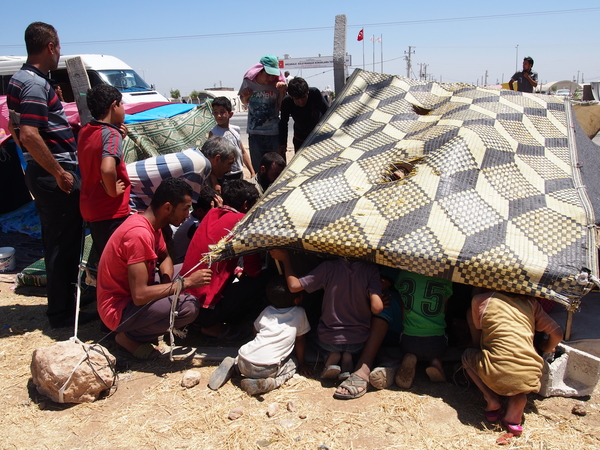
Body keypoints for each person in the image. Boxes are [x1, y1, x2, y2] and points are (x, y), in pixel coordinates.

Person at [6, 22, 94, 328]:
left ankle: (65, 306)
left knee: (61, 241)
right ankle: (62, 314)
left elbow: (17, 129)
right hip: (54, 173)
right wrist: (58, 171)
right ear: (51, 47)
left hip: (43, 171)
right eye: (59, 46)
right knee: (63, 244)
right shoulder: (32, 83)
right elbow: (29, 134)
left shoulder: (23, 80)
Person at [96, 178, 212, 359]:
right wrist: (185, 284)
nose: (188, 214)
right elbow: (140, 295)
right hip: (119, 311)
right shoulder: (138, 234)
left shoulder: (152, 224)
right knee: (189, 306)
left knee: (188, 269)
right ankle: (129, 337)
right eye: (185, 208)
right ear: (167, 208)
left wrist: (168, 285)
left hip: (135, 298)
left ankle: (146, 324)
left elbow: (165, 257)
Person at [270, 249, 384, 381]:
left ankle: (329, 356)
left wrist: (285, 259)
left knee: (310, 333)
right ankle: (348, 357)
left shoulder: (329, 267)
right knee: (352, 346)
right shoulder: (371, 270)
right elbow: (377, 308)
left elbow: (294, 286)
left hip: (329, 340)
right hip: (358, 341)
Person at [462, 291, 563, 436]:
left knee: (467, 357)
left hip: (495, 370)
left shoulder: (480, 299)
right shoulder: (531, 303)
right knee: (521, 378)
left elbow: (477, 338)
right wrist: (546, 347)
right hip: (531, 371)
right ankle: (517, 403)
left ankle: (491, 398)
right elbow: (557, 334)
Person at [181, 179, 266, 340]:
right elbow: (253, 269)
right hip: (206, 308)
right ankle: (213, 325)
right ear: (246, 205)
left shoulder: (211, 213)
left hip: (186, 299)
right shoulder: (243, 221)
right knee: (263, 279)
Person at [208, 275, 312, 395]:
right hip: (267, 368)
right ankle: (270, 383)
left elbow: (255, 329)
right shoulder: (299, 312)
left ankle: (234, 366)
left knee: (249, 357)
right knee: (293, 363)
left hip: (243, 359)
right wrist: (302, 364)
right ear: (297, 300)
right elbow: (300, 340)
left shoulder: (267, 310)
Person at [78, 84, 130, 258]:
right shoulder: (111, 134)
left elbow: (95, 152)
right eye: (121, 104)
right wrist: (113, 190)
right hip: (110, 210)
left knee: (105, 258)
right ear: (114, 105)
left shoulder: (85, 131)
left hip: (91, 206)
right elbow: (107, 169)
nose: (123, 109)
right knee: (116, 263)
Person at [126, 137, 234, 211]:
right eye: (229, 164)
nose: (230, 169)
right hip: (129, 193)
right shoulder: (200, 166)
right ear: (217, 158)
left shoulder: (195, 155)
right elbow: (185, 208)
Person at [393, 271, 453, 388]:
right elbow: (444, 308)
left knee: (407, 342)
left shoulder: (404, 274)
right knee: (442, 344)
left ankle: (411, 360)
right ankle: (436, 362)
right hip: (436, 343)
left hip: (409, 340)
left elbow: (403, 306)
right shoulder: (445, 276)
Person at [239, 55, 287, 173]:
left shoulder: (278, 84)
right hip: (255, 133)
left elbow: (280, 107)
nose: (270, 78)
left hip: (274, 133)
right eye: (268, 74)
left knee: (277, 169)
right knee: (259, 168)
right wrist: (246, 96)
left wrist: (281, 93)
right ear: (259, 71)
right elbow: (244, 102)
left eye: (273, 75)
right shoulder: (248, 82)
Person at [208, 96, 254, 181]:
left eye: (222, 112)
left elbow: (242, 152)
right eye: (215, 112)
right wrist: (215, 182)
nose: (219, 115)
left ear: (230, 114)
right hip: (224, 175)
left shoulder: (236, 130)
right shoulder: (213, 133)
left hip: (238, 172)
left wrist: (252, 171)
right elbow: (211, 160)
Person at [279, 77, 329, 153]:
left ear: (307, 92)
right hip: (300, 138)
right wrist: (283, 144)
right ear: (292, 97)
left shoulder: (315, 94)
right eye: (297, 99)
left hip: (318, 137)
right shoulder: (287, 101)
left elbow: (328, 114)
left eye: (303, 97)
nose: (301, 101)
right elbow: (283, 123)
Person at [172, 185, 217, 264]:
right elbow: (212, 240)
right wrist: (213, 216)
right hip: (180, 263)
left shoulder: (191, 216)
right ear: (200, 211)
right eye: (212, 211)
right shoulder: (194, 226)